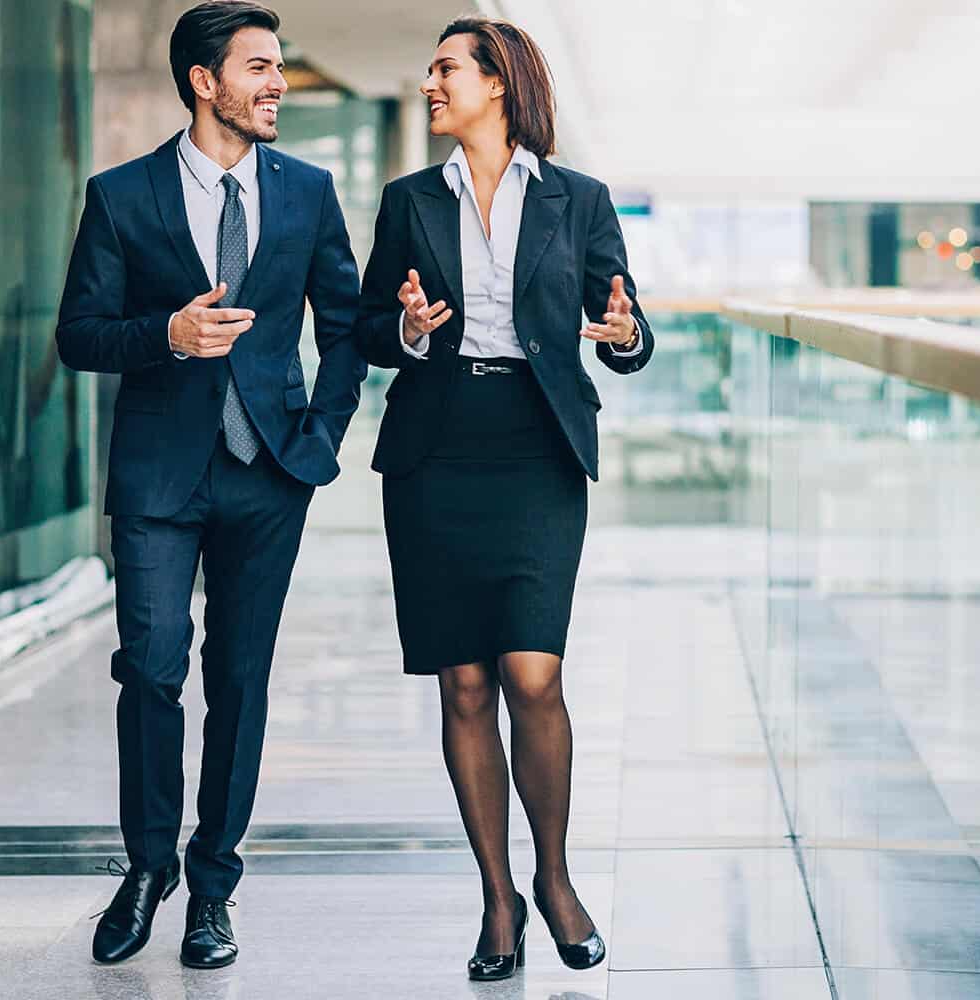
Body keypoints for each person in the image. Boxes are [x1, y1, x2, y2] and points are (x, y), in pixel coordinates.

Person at [54, 0, 365, 970]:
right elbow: (77, 334)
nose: (277, 84)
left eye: (279, 68)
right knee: (150, 666)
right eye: (260, 66)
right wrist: (166, 335)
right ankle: (148, 865)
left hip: (270, 474)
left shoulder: (309, 192)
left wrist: (319, 438)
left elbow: (347, 328)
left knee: (238, 679)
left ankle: (213, 885)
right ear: (204, 81)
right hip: (157, 474)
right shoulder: (121, 195)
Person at [356, 16, 654, 982]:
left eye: (447, 70)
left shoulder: (577, 198)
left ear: (498, 83)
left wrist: (622, 332)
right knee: (467, 682)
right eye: (434, 69)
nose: (432, 83)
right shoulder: (408, 200)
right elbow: (366, 325)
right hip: (436, 449)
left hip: (536, 446)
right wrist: (403, 325)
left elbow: (626, 319)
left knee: (533, 673)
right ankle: (498, 898)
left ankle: (555, 878)